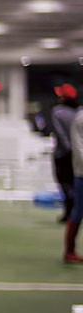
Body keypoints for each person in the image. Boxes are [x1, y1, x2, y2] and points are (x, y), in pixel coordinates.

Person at [50, 84, 78, 223]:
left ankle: (69, 212)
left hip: (63, 154)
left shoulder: (57, 112)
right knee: (75, 182)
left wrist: (68, 149)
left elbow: (60, 133)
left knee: (65, 183)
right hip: (77, 154)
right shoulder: (78, 112)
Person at [65, 91, 83, 263]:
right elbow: (79, 150)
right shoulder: (80, 119)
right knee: (77, 212)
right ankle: (69, 251)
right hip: (82, 175)